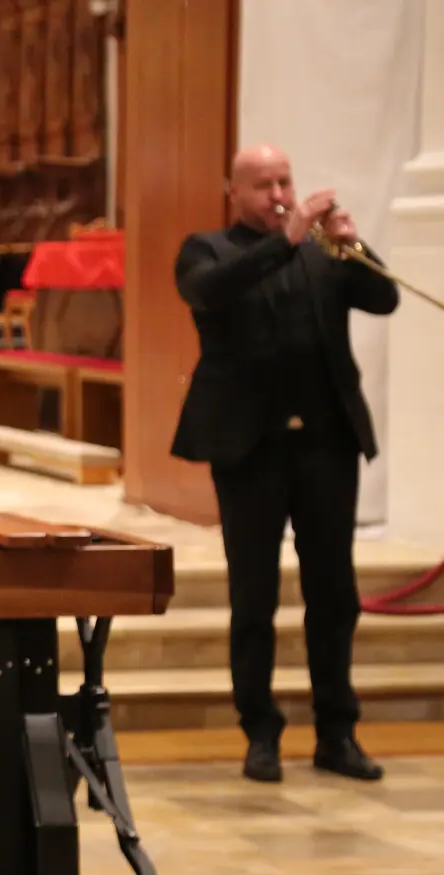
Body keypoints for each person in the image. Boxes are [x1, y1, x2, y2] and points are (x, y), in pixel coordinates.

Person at [171, 143, 396, 784]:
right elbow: (209, 292)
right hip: (250, 449)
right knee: (254, 594)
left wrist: (355, 245)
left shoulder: (322, 252)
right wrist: (288, 240)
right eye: (263, 184)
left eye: (285, 180)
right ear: (233, 193)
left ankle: (337, 732)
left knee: (334, 593)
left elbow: (384, 301)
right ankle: (260, 732)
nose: (278, 192)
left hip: (326, 445)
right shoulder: (207, 250)